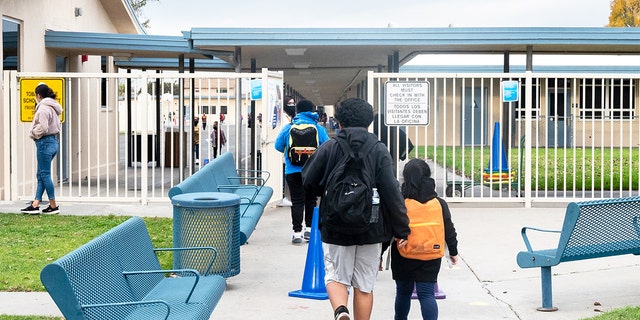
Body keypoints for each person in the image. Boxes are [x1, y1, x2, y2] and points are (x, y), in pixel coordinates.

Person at [302, 98, 410, 320]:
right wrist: (402, 230)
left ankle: (341, 311)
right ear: (369, 123)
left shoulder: (330, 147)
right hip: (371, 227)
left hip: (335, 226)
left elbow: (308, 182)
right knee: (364, 286)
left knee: (335, 277)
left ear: (339, 122)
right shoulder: (379, 150)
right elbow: (392, 193)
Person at [391, 158, 459, 320]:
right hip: (431, 254)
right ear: (429, 176)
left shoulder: (400, 203)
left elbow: (390, 230)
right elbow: (449, 230)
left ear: (404, 179)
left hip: (403, 255)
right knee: (427, 293)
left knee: (403, 292)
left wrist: (379, 254)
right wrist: (453, 251)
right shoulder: (439, 203)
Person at [275, 99, 329, 244]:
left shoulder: (289, 128)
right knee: (311, 200)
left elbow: (278, 146)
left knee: (297, 201)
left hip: (292, 170)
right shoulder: (318, 129)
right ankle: (309, 230)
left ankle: (297, 233)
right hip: (313, 171)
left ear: (297, 111)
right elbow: (327, 148)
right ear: (312, 111)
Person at [21, 83, 62, 215]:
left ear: (38, 95)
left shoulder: (43, 108)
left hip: (44, 142)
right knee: (41, 174)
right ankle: (35, 204)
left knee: (44, 174)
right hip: (53, 142)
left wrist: (32, 133)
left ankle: (53, 205)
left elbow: (43, 128)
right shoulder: (54, 107)